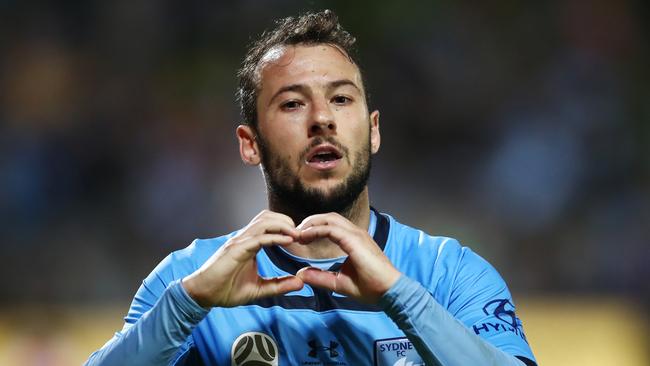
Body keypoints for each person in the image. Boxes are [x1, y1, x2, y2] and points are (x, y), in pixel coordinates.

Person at [86, 10, 537, 366]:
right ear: (250, 144)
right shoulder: (191, 279)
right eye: (293, 104)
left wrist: (403, 298)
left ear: (373, 131)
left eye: (341, 98)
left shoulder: (448, 274)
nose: (322, 118)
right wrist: (189, 304)